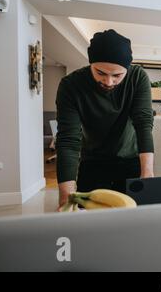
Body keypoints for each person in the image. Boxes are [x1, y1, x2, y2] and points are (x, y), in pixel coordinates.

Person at [56, 29, 154, 208]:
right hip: (92, 162)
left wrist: (147, 173)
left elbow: (144, 124)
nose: (109, 82)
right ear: (90, 63)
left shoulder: (138, 77)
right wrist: (65, 195)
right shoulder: (70, 86)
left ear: (127, 69)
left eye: (117, 75)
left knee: (133, 221)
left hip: (130, 160)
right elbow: (68, 141)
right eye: (100, 73)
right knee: (90, 224)